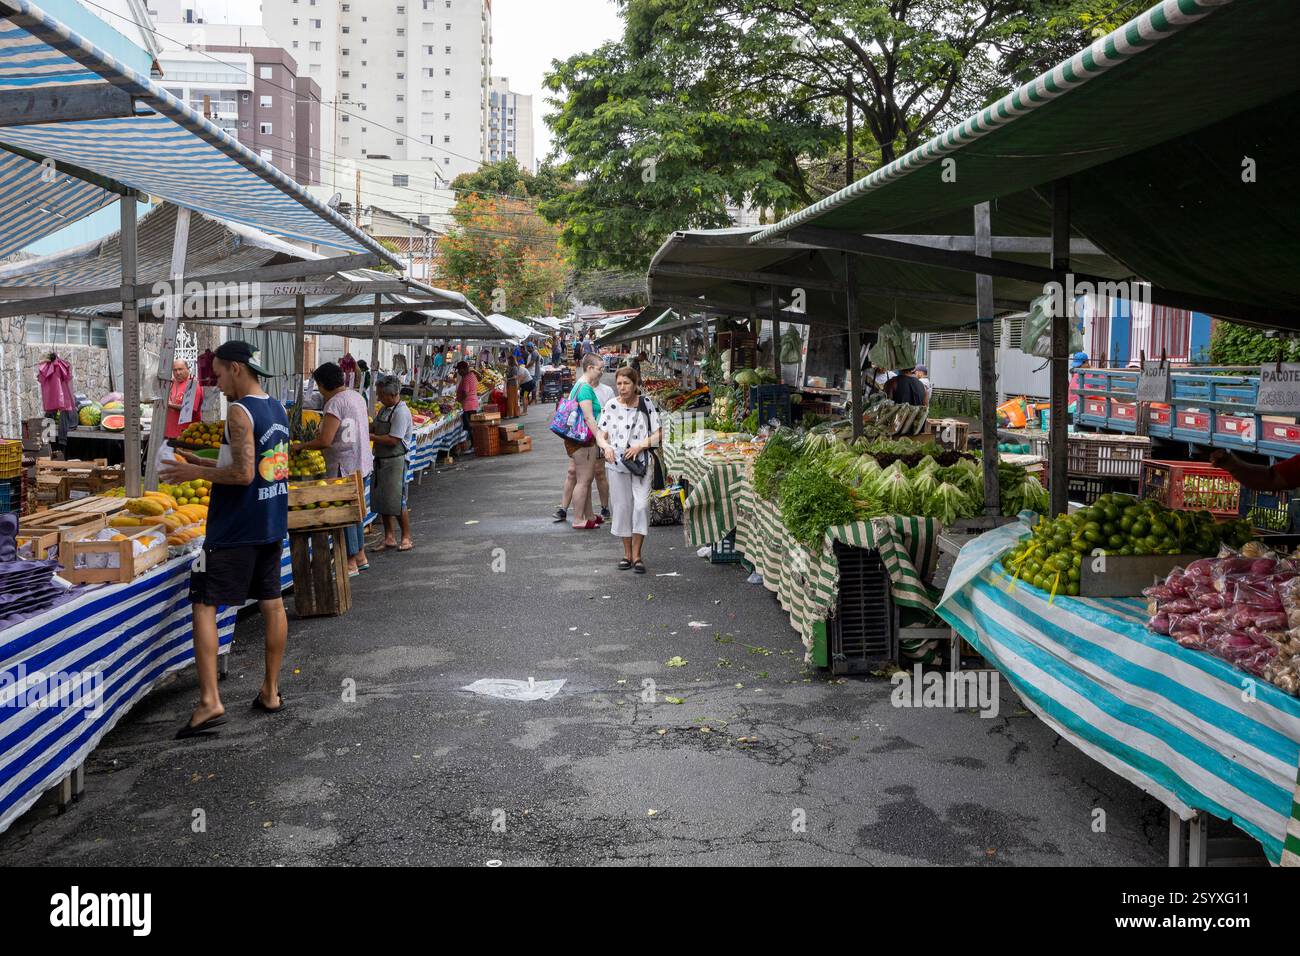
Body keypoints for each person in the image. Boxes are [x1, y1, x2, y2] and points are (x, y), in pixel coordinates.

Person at [161, 340, 289, 738]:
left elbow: (243, 475)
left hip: (234, 528)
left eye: (217, 373)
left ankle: (210, 700)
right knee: (272, 601)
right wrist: (201, 461)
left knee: (204, 602)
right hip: (270, 522)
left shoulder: (239, 410)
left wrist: (193, 475)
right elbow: (257, 463)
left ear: (236, 368)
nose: (215, 382)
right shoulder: (277, 407)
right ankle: (270, 691)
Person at [294, 362, 374, 576]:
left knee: (344, 515)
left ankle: (349, 562)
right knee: (356, 512)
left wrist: (301, 446)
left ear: (322, 384)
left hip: (343, 466)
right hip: (361, 463)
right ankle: (360, 556)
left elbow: (326, 440)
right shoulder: (356, 396)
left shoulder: (334, 403)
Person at [595, 365, 662, 573]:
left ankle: (637, 553)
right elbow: (600, 433)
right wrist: (605, 447)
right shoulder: (611, 405)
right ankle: (627, 554)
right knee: (622, 508)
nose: (622, 387)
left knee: (641, 505)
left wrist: (640, 445)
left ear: (635, 384)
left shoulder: (646, 404)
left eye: (626, 383)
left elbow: (659, 433)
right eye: (619, 384)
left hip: (640, 463)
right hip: (616, 464)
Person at [562, 353, 605, 530]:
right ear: (590, 368)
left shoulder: (579, 386)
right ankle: (578, 518)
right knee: (584, 480)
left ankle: (588, 515)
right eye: (600, 369)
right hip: (583, 440)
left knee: (584, 479)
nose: (601, 372)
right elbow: (588, 417)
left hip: (579, 440)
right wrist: (600, 438)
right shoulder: (585, 388)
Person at [371, 375, 414, 552]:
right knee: (383, 500)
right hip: (381, 459)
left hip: (396, 461)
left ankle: (406, 537)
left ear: (393, 394)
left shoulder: (401, 412)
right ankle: (389, 537)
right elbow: (374, 426)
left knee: (398, 501)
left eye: (381, 394)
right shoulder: (384, 409)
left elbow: (393, 440)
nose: (379, 397)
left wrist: (371, 437)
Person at [164, 358, 203, 440]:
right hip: (168, 435)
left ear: (188, 369)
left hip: (186, 437)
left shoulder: (192, 384)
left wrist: (169, 405)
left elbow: (189, 410)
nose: (178, 373)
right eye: (175, 370)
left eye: (180, 369)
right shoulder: (171, 383)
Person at [455, 360, 480, 453]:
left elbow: (465, 393)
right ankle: (474, 445)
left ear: (464, 369)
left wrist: (459, 402)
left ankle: (474, 446)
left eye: (459, 370)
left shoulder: (465, 378)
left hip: (468, 405)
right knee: (472, 426)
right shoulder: (472, 375)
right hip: (473, 404)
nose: (458, 372)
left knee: (470, 426)